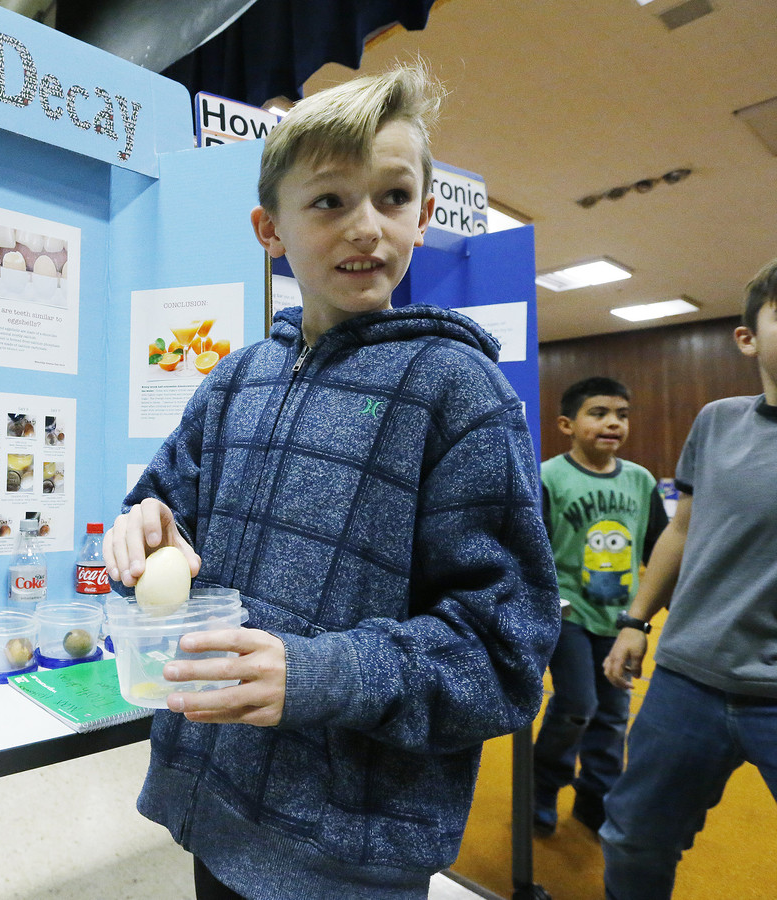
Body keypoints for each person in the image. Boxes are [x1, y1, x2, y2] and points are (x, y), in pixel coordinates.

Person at [103, 63, 560, 900]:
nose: (366, 228)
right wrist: (141, 528)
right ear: (269, 229)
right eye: (328, 201)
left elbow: (504, 654)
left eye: (392, 198)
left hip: (347, 851)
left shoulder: (458, 393)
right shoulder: (237, 378)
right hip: (214, 807)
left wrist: (321, 674)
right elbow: (162, 510)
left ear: (424, 216)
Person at [599, 257, 777, 899]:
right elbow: (682, 528)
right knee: (635, 840)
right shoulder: (718, 421)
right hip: (687, 680)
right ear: (747, 338)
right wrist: (635, 620)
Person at [531, 377, 668, 837]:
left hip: (621, 619)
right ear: (566, 424)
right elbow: (531, 551)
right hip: (567, 614)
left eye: (622, 415)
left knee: (611, 714)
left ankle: (596, 798)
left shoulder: (640, 480)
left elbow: (659, 549)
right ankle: (542, 787)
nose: (613, 423)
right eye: (599, 413)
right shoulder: (548, 477)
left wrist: (649, 615)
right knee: (577, 705)